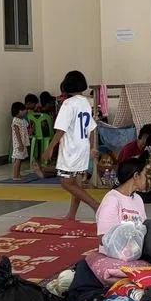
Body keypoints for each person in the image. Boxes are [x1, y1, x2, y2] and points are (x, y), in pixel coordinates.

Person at [44, 70, 101, 221]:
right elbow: (93, 127)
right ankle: (71, 215)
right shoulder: (85, 102)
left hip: (70, 149)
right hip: (82, 146)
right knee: (75, 183)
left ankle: (96, 206)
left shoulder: (68, 104)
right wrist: (92, 146)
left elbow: (61, 129)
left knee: (66, 183)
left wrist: (50, 148)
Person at [95, 158, 148, 253]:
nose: (147, 179)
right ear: (136, 176)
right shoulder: (112, 199)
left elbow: (144, 229)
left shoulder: (138, 199)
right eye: (145, 175)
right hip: (114, 255)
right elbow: (103, 238)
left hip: (134, 252)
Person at [10, 101, 45, 180]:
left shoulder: (23, 120)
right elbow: (17, 132)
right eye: (24, 110)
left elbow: (27, 128)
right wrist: (20, 143)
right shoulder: (15, 120)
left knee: (21, 158)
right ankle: (15, 175)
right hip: (19, 143)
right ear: (19, 111)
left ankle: (18, 174)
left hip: (23, 142)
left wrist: (31, 130)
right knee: (18, 159)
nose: (26, 111)